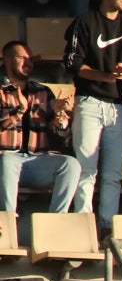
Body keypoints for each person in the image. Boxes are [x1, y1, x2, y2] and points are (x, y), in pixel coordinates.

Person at [63, 0, 122, 227]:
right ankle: (82, 224)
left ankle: (107, 226)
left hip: (118, 105)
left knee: (113, 174)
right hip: (89, 102)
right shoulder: (84, 22)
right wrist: (105, 76)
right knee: (86, 169)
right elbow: (72, 63)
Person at [0, 41, 79, 215]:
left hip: (36, 160)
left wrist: (60, 118)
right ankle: (8, 220)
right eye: (22, 58)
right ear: (7, 59)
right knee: (7, 161)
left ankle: (56, 220)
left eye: (30, 59)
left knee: (71, 164)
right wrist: (19, 112)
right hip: (5, 161)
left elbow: (60, 133)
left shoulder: (42, 91)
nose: (28, 62)